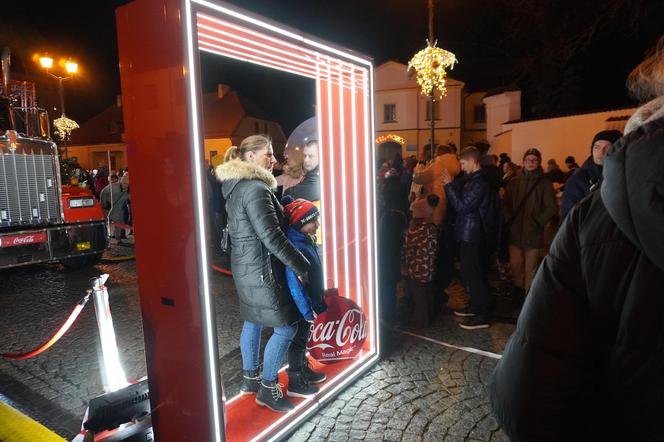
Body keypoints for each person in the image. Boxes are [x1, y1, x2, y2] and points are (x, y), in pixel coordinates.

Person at [490, 34, 664, 441]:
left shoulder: (596, 207)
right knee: (521, 271)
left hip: (543, 239)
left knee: (532, 272)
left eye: (607, 145)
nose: (603, 151)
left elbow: (529, 391)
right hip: (534, 238)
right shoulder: (584, 197)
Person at [215, 135, 310, 413]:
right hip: (261, 270)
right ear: (249, 157)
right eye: (267, 154)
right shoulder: (256, 188)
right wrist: (301, 265)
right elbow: (272, 237)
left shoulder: (236, 186)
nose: (273, 159)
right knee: (286, 327)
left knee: (253, 322)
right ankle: (268, 389)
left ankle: (250, 379)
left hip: (245, 268)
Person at [443, 146, 494, 329]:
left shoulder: (479, 183)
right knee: (470, 273)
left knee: (475, 274)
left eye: (463, 163)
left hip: (473, 234)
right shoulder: (472, 179)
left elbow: (463, 207)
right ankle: (476, 307)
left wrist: (448, 186)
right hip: (468, 232)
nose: (462, 167)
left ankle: (481, 315)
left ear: (473, 161)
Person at [281, 196, 327, 398]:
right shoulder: (296, 247)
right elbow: (295, 283)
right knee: (298, 341)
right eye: (312, 221)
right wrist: (307, 310)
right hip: (301, 306)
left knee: (303, 339)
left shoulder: (304, 239)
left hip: (308, 301)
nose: (317, 224)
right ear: (300, 223)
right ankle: (295, 381)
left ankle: (302, 369)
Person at [503, 148, 557, 302]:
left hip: (533, 232)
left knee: (531, 268)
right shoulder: (514, 181)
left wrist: (537, 222)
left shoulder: (544, 182)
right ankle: (518, 291)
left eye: (534, 160)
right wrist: (508, 218)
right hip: (515, 231)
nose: (531, 163)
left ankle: (528, 298)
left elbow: (551, 207)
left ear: (539, 162)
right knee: (515, 264)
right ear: (523, 162)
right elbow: (505, 203)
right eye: (528, 160)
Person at [560, 129, 623, 219]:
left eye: (608, 147)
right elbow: (568, 217)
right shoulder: (578, 178)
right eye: (596, 147)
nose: (601, 152)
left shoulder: (625, 175)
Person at [400, 195, 439, 330]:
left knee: (418, 297)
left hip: (416, 269)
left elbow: (408, 251)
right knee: (427, 294)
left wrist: (404, 265)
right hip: (429, 268)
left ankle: (421, 321)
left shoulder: (413, 230)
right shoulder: (431, 228)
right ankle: (429, 316)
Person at [412, 144, 461, 226]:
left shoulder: (439, 165)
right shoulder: (452, 163)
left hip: (434, 197)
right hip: (444, 197)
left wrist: (415, 173)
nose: (434, 154)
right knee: (440, 222)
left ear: (439, 153)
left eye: (435, 152)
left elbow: (420, 178)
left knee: (433, 222)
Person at [99, 174, 129, 244]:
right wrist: (103, 204)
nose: (126, 186)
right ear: (121, 181)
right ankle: (105, 239)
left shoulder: (129, 190)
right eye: (125, 183)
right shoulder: (112, 187)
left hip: (118, 209)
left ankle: (118, 239)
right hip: (107, 208)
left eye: (128, 184)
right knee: (104, 224)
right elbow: (103, 192)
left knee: (119, 224)